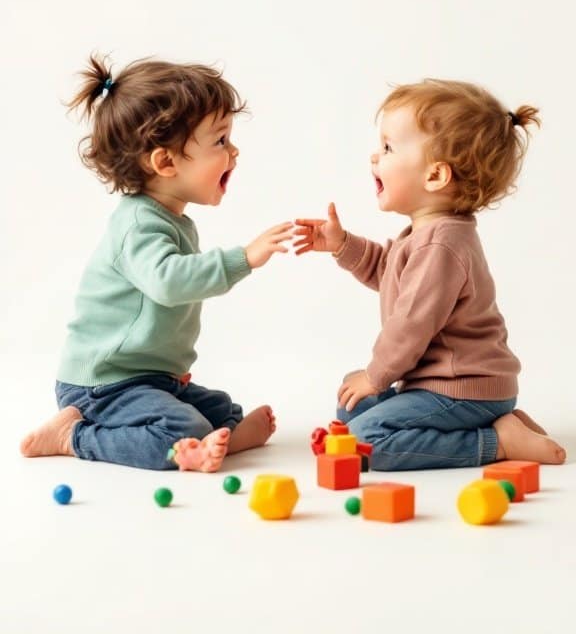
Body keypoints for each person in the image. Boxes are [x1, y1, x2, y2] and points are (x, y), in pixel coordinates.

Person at [21, 55, 293, 472]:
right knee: (179, 427)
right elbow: (168, 281)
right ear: (165, 163)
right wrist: (245, 258)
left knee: (221, 410)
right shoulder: (137, 227)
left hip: (148, 379)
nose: (234, 150)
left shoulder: (173, 219)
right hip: (102, 385)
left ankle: (215, 439)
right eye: (220, 141)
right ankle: (72, 437)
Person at [294, 79, 566, 470]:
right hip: (442, 386)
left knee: (363, 442)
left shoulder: (440, 246)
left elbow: (410, 325)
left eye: (388, 148)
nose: (375, 157)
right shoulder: (428, 235)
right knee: (351, 405)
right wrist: (342, 245)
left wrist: (376, 375)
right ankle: (504, 424)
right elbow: (388, 272)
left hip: (462, 390)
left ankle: (496, 442)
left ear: (435, 176)